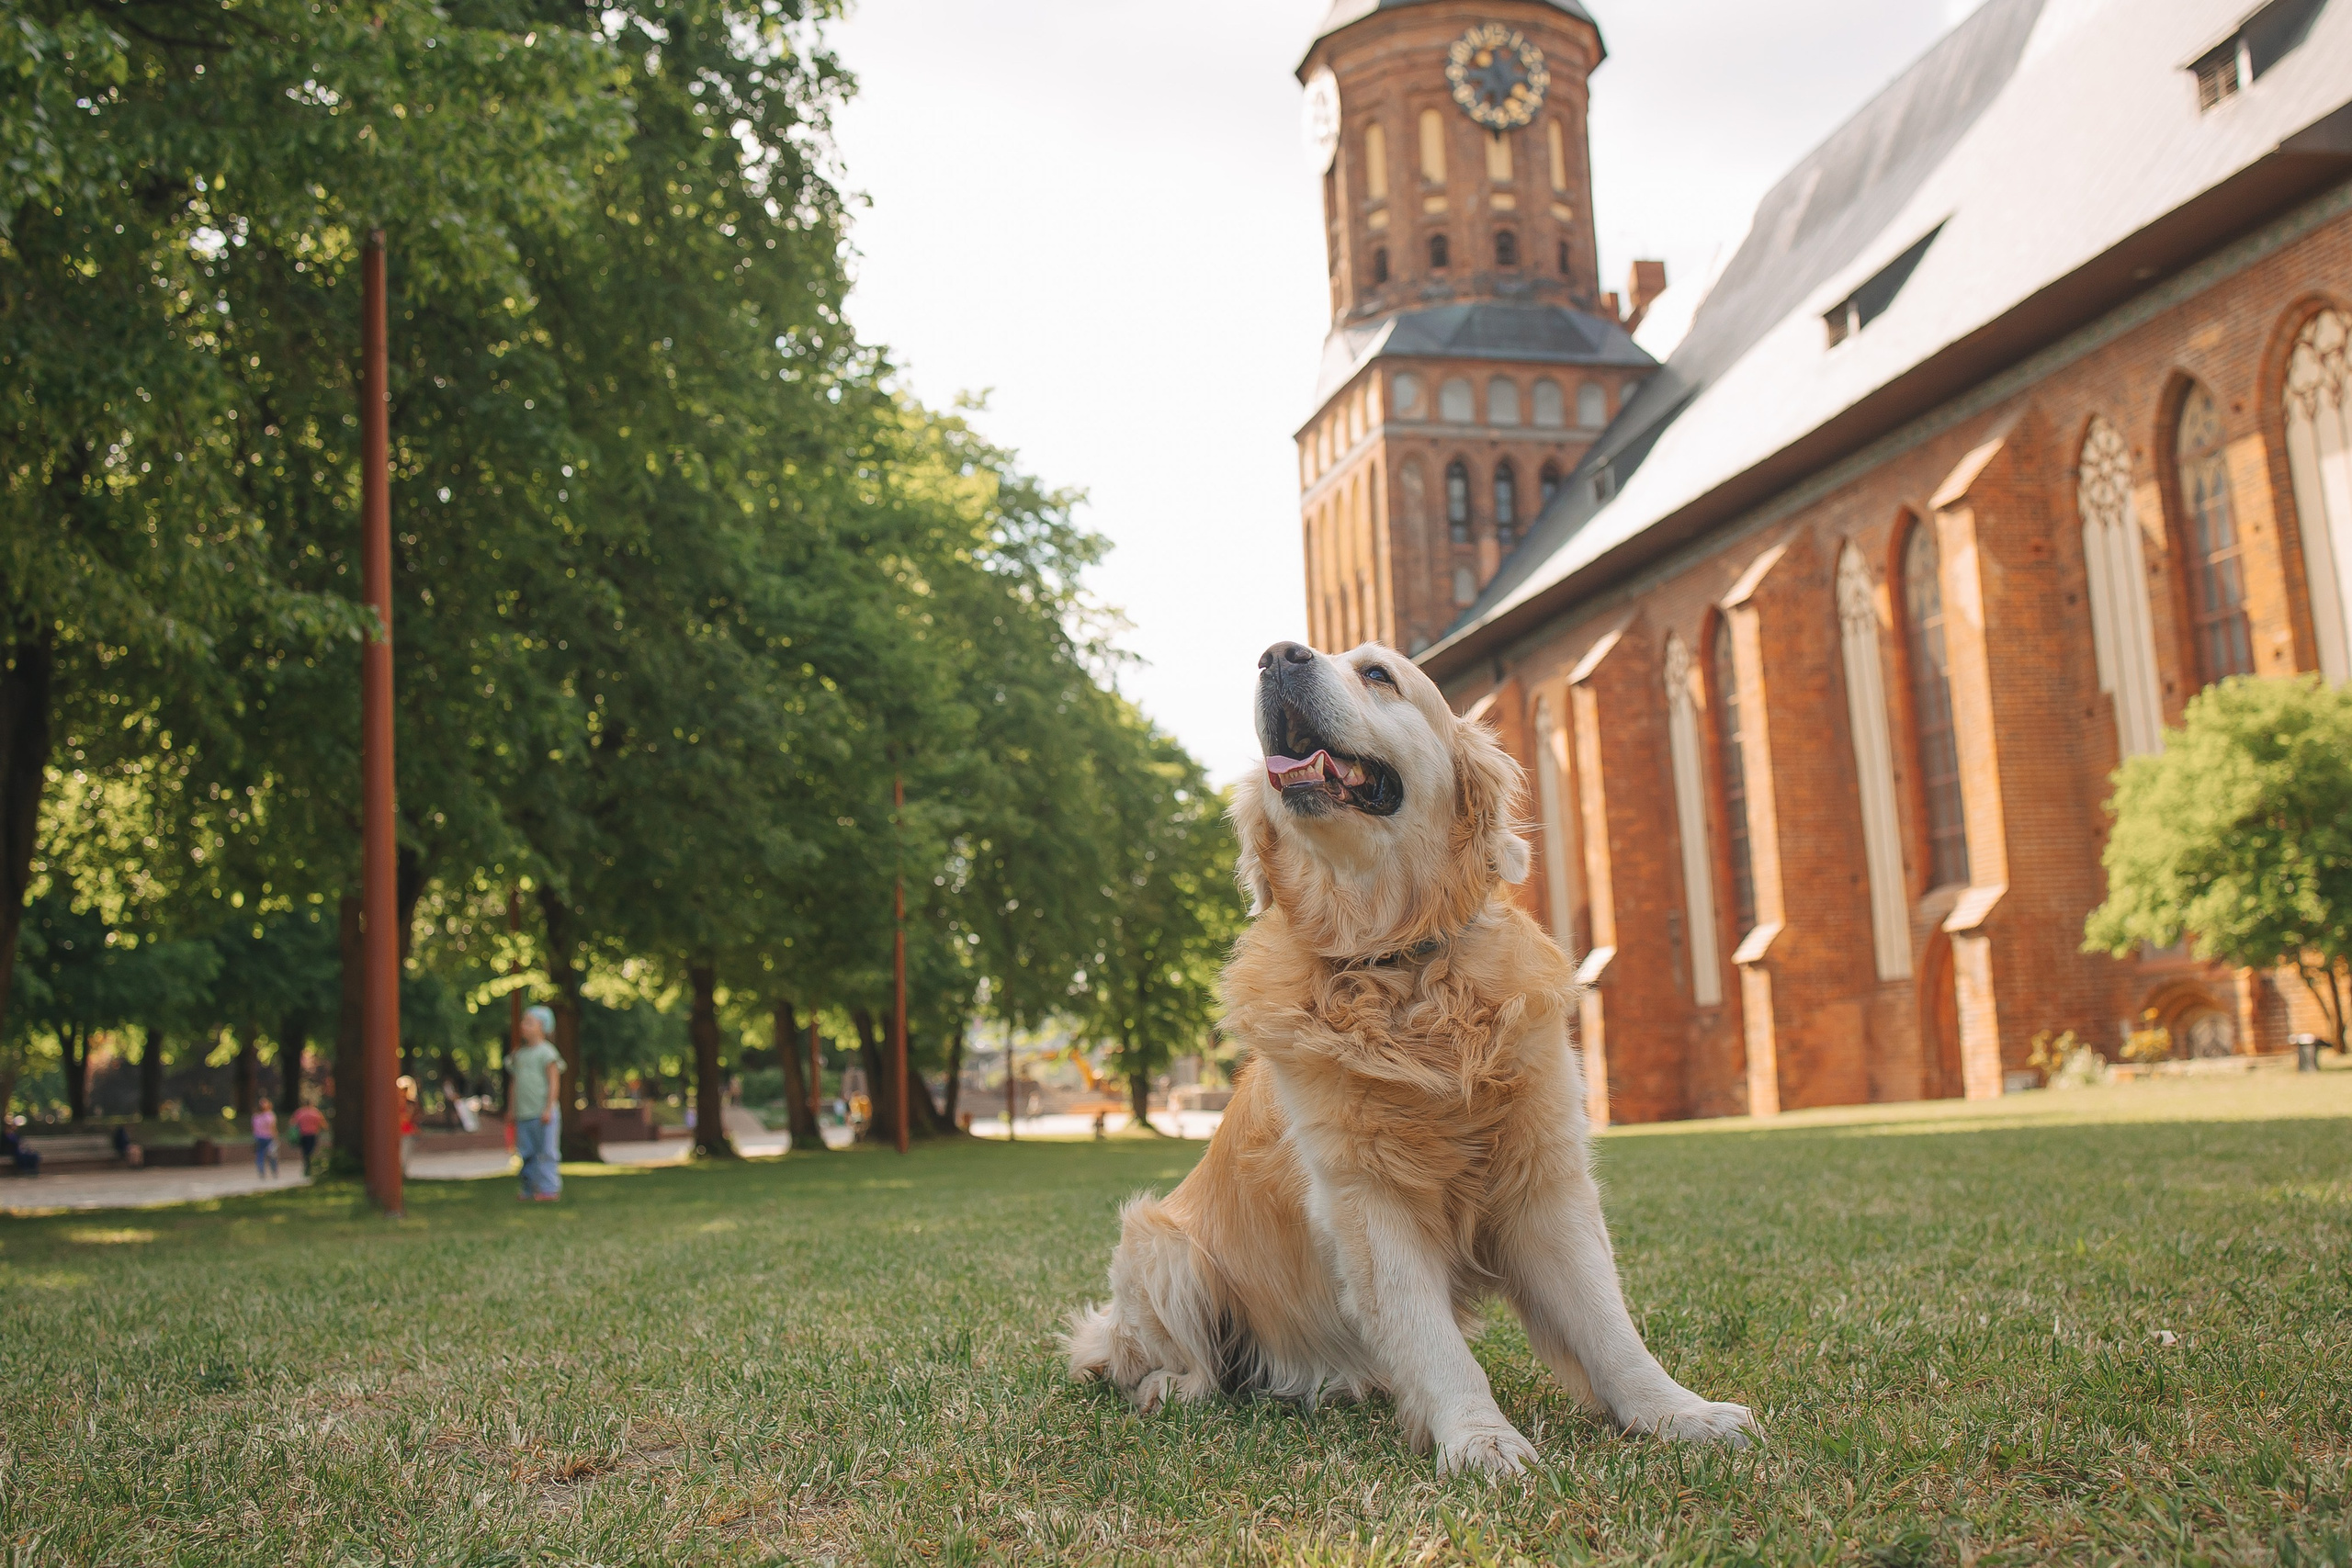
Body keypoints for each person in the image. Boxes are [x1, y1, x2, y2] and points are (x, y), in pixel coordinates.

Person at [507, 1005, 565, 1201]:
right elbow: (514, 1084)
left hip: (544, 1113)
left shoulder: (548, 1053)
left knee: (547, 1152)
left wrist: (549, 1108)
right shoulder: (519, 1055)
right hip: (524, 1113)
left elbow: (554, 1082)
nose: (523, 1026)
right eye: (523, 1022)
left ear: (543, 1026)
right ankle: (529, 1188)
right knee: (527, 1153)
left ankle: (549, 1188)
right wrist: (511, 1109)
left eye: (529, 1022)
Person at [290, 1101, 326, 1175]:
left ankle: (307, 1165)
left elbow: (293, 1122)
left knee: (305, 1151)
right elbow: (322, 1124)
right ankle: (310, 1165)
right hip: (312, 1134)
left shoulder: (300, 1112)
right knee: (311, 1150)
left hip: (303, 1134)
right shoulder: (315, 1112)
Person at [251, 1104, 279, 1179]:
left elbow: (253, 1128)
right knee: (272, 1155)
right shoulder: (270, 1116)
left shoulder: (255, 1117)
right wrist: (275, 1138)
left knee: (260, 1155)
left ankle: (261, 1171)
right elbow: (273, 1128)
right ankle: (274, 1170)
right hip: (269, 1138)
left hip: (259, 1138)